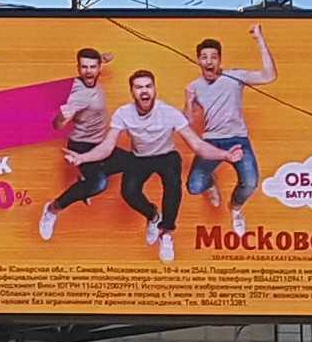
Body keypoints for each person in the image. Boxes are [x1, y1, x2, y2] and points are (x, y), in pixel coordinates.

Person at [100, 70, 233, 265]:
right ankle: (153, 215)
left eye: (148, 86)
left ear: (154, 89)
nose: (144, 91)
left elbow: (196, 144)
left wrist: (225, 155)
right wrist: (82, 157)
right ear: (132, 92)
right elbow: (107, 145)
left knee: (173, 187)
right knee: (129, 192)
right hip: (140, 157)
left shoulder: (169, 113)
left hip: (166, 156)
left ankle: (167, 233)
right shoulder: (123, 113)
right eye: (139, 87)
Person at [183, 25, 276, 234]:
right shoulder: (195, 86)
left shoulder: (235, 77)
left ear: (219, 60)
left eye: (213, 57)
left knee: (251, 183)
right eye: (204, 57)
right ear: (198, 60)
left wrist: (259, 39)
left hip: (237, 140)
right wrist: (189, 101)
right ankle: (210, 181)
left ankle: (235, 209)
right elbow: (187, 123)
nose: (209, 61)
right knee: (194, 187)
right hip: (211, 142)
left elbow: (269, 75)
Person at [37, 47, 120, 240]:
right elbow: (58, 125)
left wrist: (104, 57)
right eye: (84, 67)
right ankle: (52, 209)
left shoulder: (93, 74)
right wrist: (60, 118)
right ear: (78, 68)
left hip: (101, 143)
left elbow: (96, 62)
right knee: (98, 183)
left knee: (135, 161)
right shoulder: (79, 95)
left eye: (93, 66)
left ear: (99, 67)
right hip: (82, 146)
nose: (88, 71)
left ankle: (85, 181)